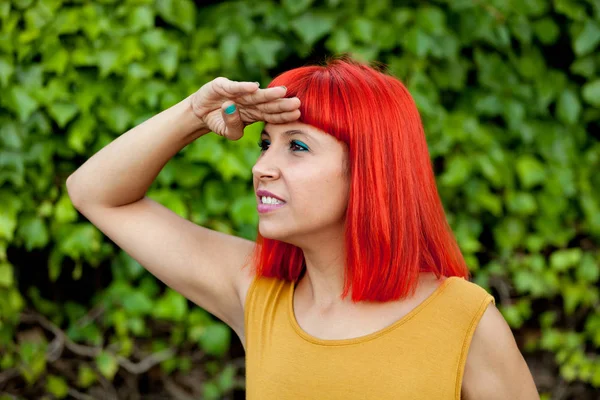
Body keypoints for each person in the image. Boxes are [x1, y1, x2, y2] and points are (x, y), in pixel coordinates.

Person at [66, 57, 540, 399]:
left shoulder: (465, 321)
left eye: (297, 147)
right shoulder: (256, 292)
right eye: (264, 145)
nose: (262, 168)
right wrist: (194, 112)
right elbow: (93, 193)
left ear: (369, 171)